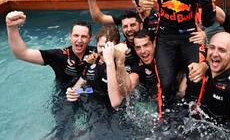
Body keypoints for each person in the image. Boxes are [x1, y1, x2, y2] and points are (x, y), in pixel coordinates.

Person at [135, 0, 216, 110]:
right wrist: (140, 0)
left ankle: (194, 120)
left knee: (196, 82)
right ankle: (164, 124)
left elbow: (209, 20)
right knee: (165, 85)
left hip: (191, 37)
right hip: (165, 37)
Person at [6, 10, 95, 139]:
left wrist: (82, 90)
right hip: (64, 97)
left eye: (84, 36)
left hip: (89, 93)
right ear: (70, 36)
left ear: (90, 38)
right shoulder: (59, 55)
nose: (79, 40)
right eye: (76, 35)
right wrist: (11, 27)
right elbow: (22, 53)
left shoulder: (97, 54)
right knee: (62, 132)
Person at [66, 25, 120, 106]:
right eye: (101, 46)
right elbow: (91, 89)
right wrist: (74, 91)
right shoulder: (93, 61)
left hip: (112, 107)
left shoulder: (120, 65)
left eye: (108, 47)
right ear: (96, 45)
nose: (104, 51)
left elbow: (118, 100)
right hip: (94, 102)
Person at [103, 30, 158, 108]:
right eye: (138, 48)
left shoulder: (167, 59)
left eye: (146, 45)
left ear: (154, 43)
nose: (143, 51)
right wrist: (120, 62)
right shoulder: (138, 66)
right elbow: (126, 89)